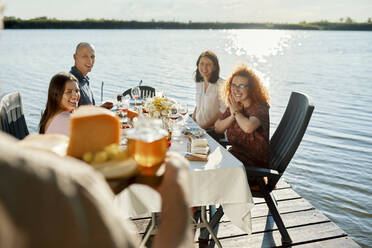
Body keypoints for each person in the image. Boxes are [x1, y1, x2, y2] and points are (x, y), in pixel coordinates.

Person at [0, 3, 192, 247]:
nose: (75, 96)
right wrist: (176, 192)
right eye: (69, 93)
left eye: (93, 57)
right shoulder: (57, 187)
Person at [215, 64, 270, 186]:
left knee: (208, 174)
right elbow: (218, 127)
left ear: (251, 89)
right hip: (234, 160)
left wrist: (236, 112)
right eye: (233, 85)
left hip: (252, 170)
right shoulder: (236, 105)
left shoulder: (259, 108)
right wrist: (232, 115)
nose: (236, 89)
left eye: (241, 86)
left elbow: (248, 127)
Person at [192, 50, 226, 139]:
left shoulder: (221, 85)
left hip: (213, 131)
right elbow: (199, 104)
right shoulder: (199, 82)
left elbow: (222, 111)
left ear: (214, 67)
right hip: (198, 126)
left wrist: (204, 127)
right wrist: (192, 120)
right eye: (201, 63)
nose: (204, 67)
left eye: (208, 64)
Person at [70, 42, 113, 109]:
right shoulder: (70, 83)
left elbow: (85, 109)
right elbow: (72, 116)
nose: (90, 61)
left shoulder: (84, 79)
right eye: (85, 56)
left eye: (92, 57)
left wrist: (100, 108)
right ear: (75, 57)